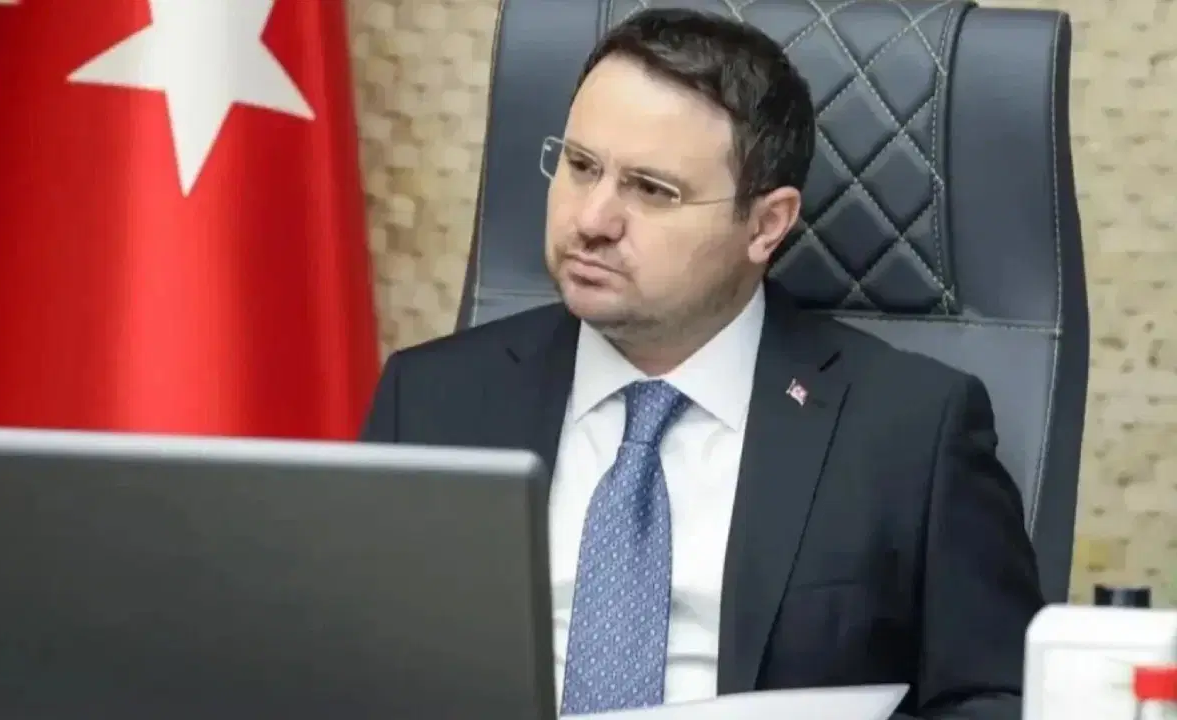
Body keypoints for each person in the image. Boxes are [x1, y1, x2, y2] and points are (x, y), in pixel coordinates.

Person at [361, 7, 1043, 720]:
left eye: (651, 189)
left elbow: (999, 698)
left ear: (766, 224)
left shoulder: (911, 431)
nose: (592, 220)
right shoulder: (431, 400)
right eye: (581, 167)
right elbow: (353, 665)